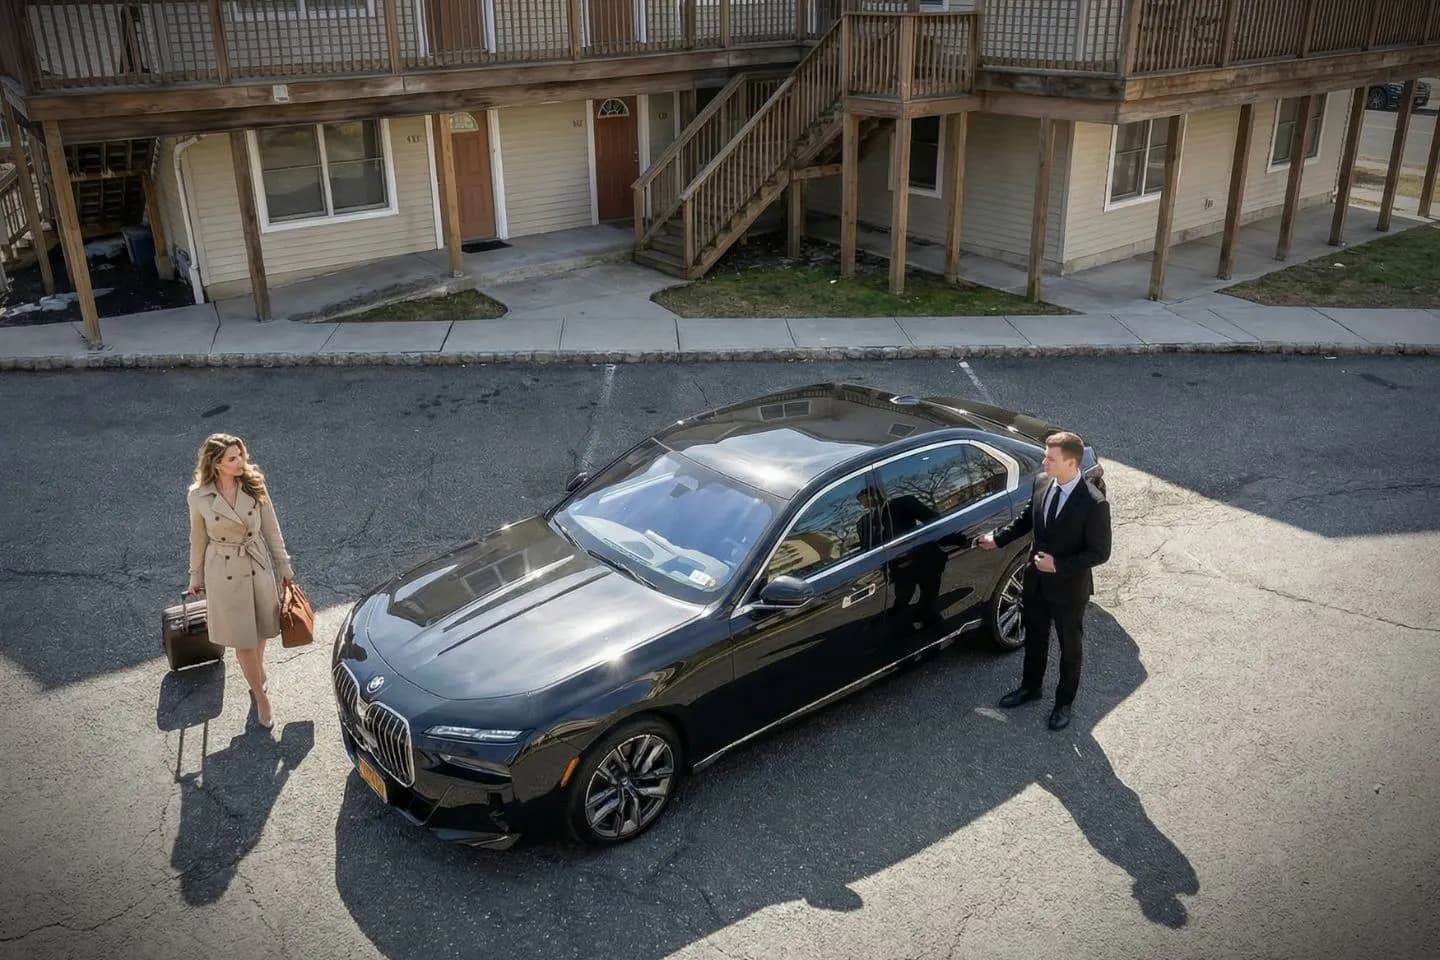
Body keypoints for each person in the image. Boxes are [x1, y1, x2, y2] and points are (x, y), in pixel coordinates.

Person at [979, 431, 1111, 731]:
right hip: (1036, 581)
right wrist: (996, 539)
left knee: (1070, 647)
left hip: (1068, 590)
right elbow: (1027, 519)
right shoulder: (1041, 484)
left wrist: (1059, 565)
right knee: (1035, 637)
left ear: (1071, 462)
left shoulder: (1094, 503)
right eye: (1045, 456)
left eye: (1050, 458)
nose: (1044, 462)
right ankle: (1030, 687)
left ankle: (1063, 703)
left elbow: (1100, 552)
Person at [187, 433, 295, 730]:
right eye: (232, 459)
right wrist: (195, 576)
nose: (240, 462)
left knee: (260, 629)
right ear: (216, 463)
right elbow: (197, 538)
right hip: (223, 570)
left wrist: (284, 566)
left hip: (256, 563)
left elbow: (271, 528)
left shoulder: (253, 483)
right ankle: (261, 697)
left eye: (241, 456)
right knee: (243, 638)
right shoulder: (199, 496)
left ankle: (256, 676)